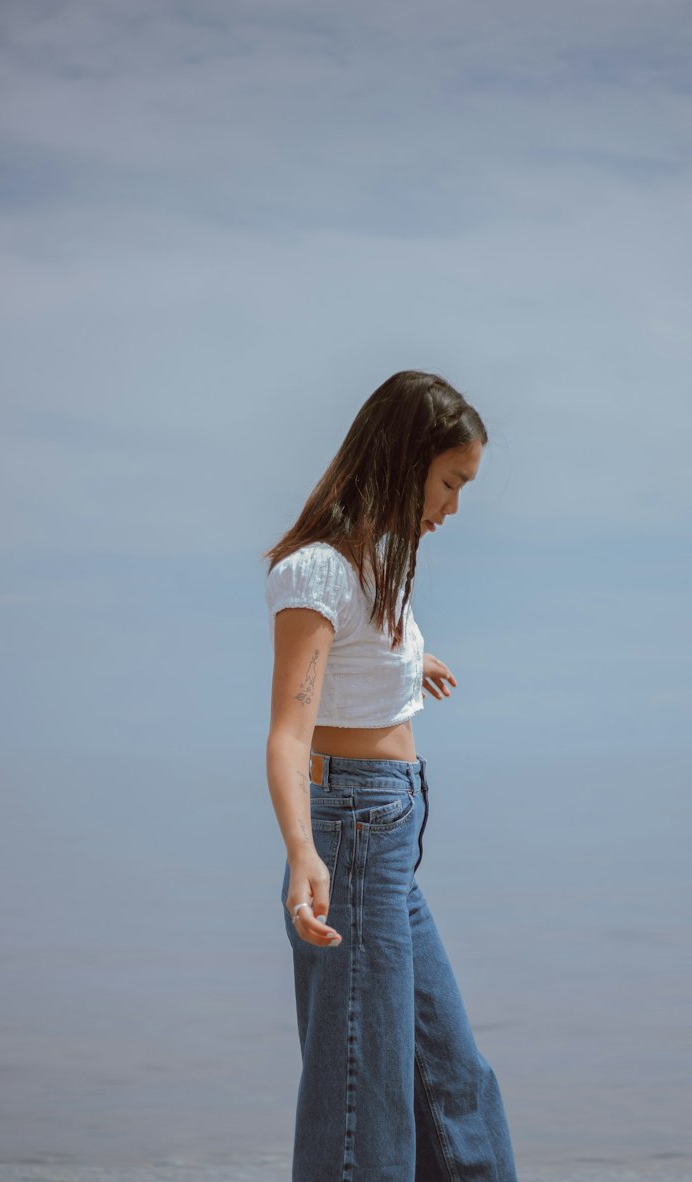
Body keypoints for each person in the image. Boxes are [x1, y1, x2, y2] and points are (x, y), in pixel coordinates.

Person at [262, 371, 518, 1182]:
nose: (452, 507)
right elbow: (288, 731)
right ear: (408, 461)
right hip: (350, 834)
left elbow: (359, 661)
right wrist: (304, 854)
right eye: (449, 482)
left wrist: (413, 662)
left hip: (389, 841)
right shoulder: (317, 572)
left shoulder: (377, 570)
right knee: (359, 1096)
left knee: (452, 1080)